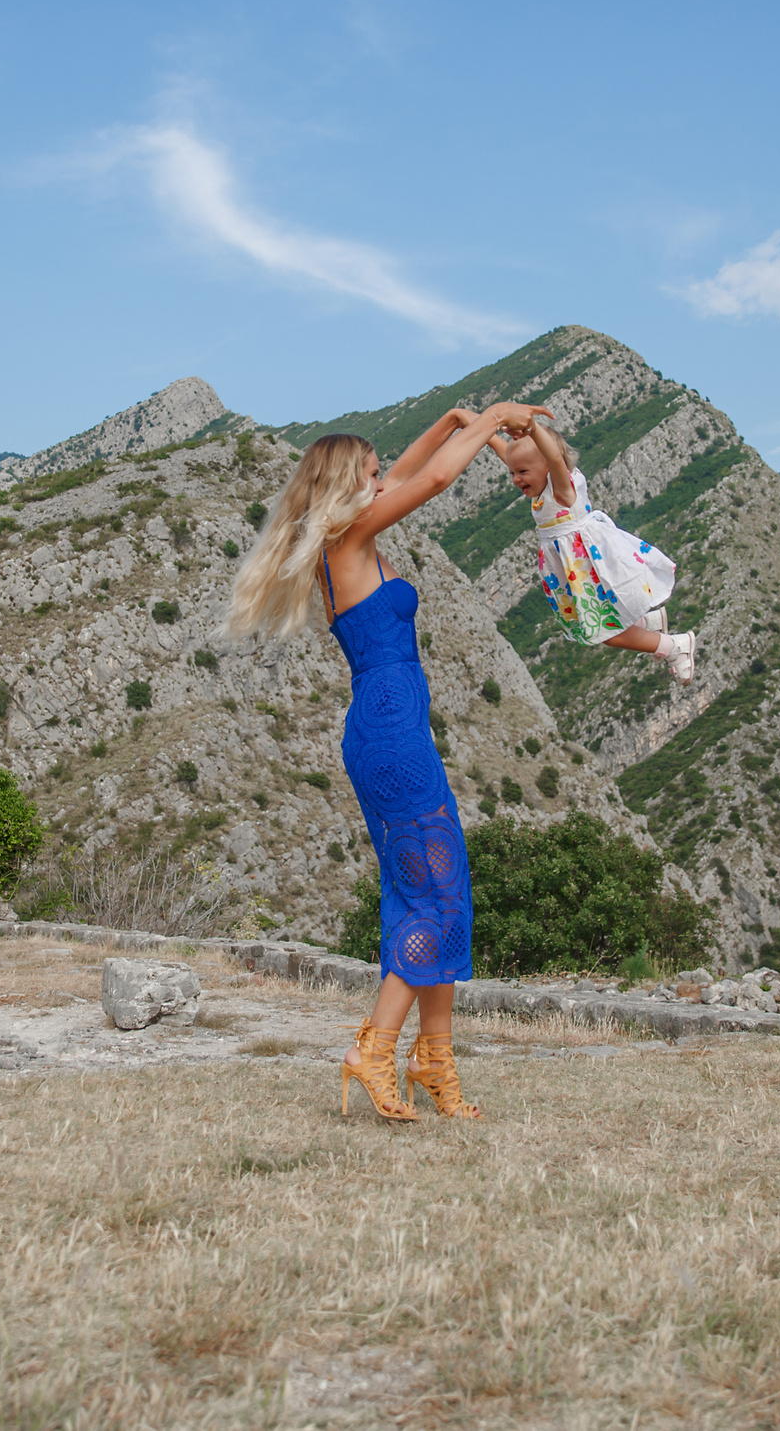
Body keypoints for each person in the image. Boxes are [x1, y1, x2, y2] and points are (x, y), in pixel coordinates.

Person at [223, 405, 542, 1121]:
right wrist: (493, 417)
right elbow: (430, 482)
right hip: (392, 734)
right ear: (347, 485)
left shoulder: (350, 534)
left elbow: (405, 474)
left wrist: (453, 421)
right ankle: (376, 1049)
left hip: (391, 729)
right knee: (437, 894)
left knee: (433, 888)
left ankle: (435, 1063)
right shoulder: (350, 537)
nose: (380, 479)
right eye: (369, 473)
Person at [489, 413, 696, 684]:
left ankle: (674, 646)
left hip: (588, 567)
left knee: (605, 632)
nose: (516, 479)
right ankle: (648, 624)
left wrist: (532, 427)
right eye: (513, 472)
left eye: (522, 472)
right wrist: (479, 424)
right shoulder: (541, 485)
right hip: (577, 570)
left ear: (548, 467)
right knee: (605, 623)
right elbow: (509, 452)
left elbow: (553, 458)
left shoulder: (560, 491)